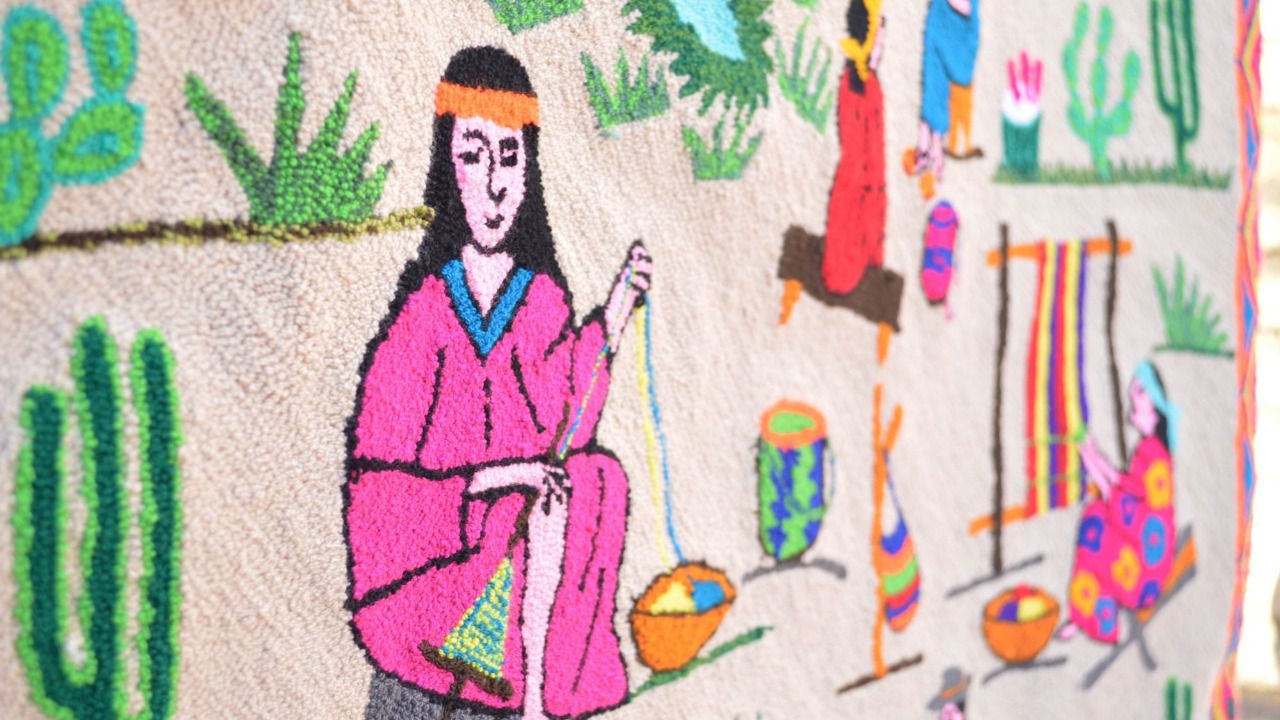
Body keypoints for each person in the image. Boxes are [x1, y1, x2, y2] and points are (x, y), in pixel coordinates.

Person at [344, 46, 651, 720]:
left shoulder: (540, 300)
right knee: (534, 492)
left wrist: (615, 313)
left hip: (511, 556)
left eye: (510, 158)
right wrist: (492, 479)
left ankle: (536, 698)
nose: (494, 185)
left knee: (592, 477)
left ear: (528, 168)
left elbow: (566, 419)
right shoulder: (424, 312)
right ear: (446, 164)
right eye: (473, 155)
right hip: (435, 565)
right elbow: (378, 480)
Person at [1059, 360, 1178, 644]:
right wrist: (1091, 454)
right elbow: (1123, 484)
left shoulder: (1155, 454)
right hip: (1140, 548)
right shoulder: (1148, 449)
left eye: (1140, 391)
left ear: (1155, 406)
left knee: (1096, 526)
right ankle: (1086, 613)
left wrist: (1094, 462)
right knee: (1096, 515)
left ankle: (1095, 617)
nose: (1133, 396)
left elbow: (1142, 514)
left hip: (1146, 570)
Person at [823, 0, 887, 295]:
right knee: (845, 247)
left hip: (872, 185)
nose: (882, 44)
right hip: (856, 183)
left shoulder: (871, 84)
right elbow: (856, 144)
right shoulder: (853, 82)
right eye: (878, 36)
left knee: (868, 243)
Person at [912, 0, 980, 182]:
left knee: (938, 94)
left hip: (954, 36)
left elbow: (967, 8)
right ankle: (927, 149)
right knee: (932, 88)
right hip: (938, 31)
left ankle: (934, 151)